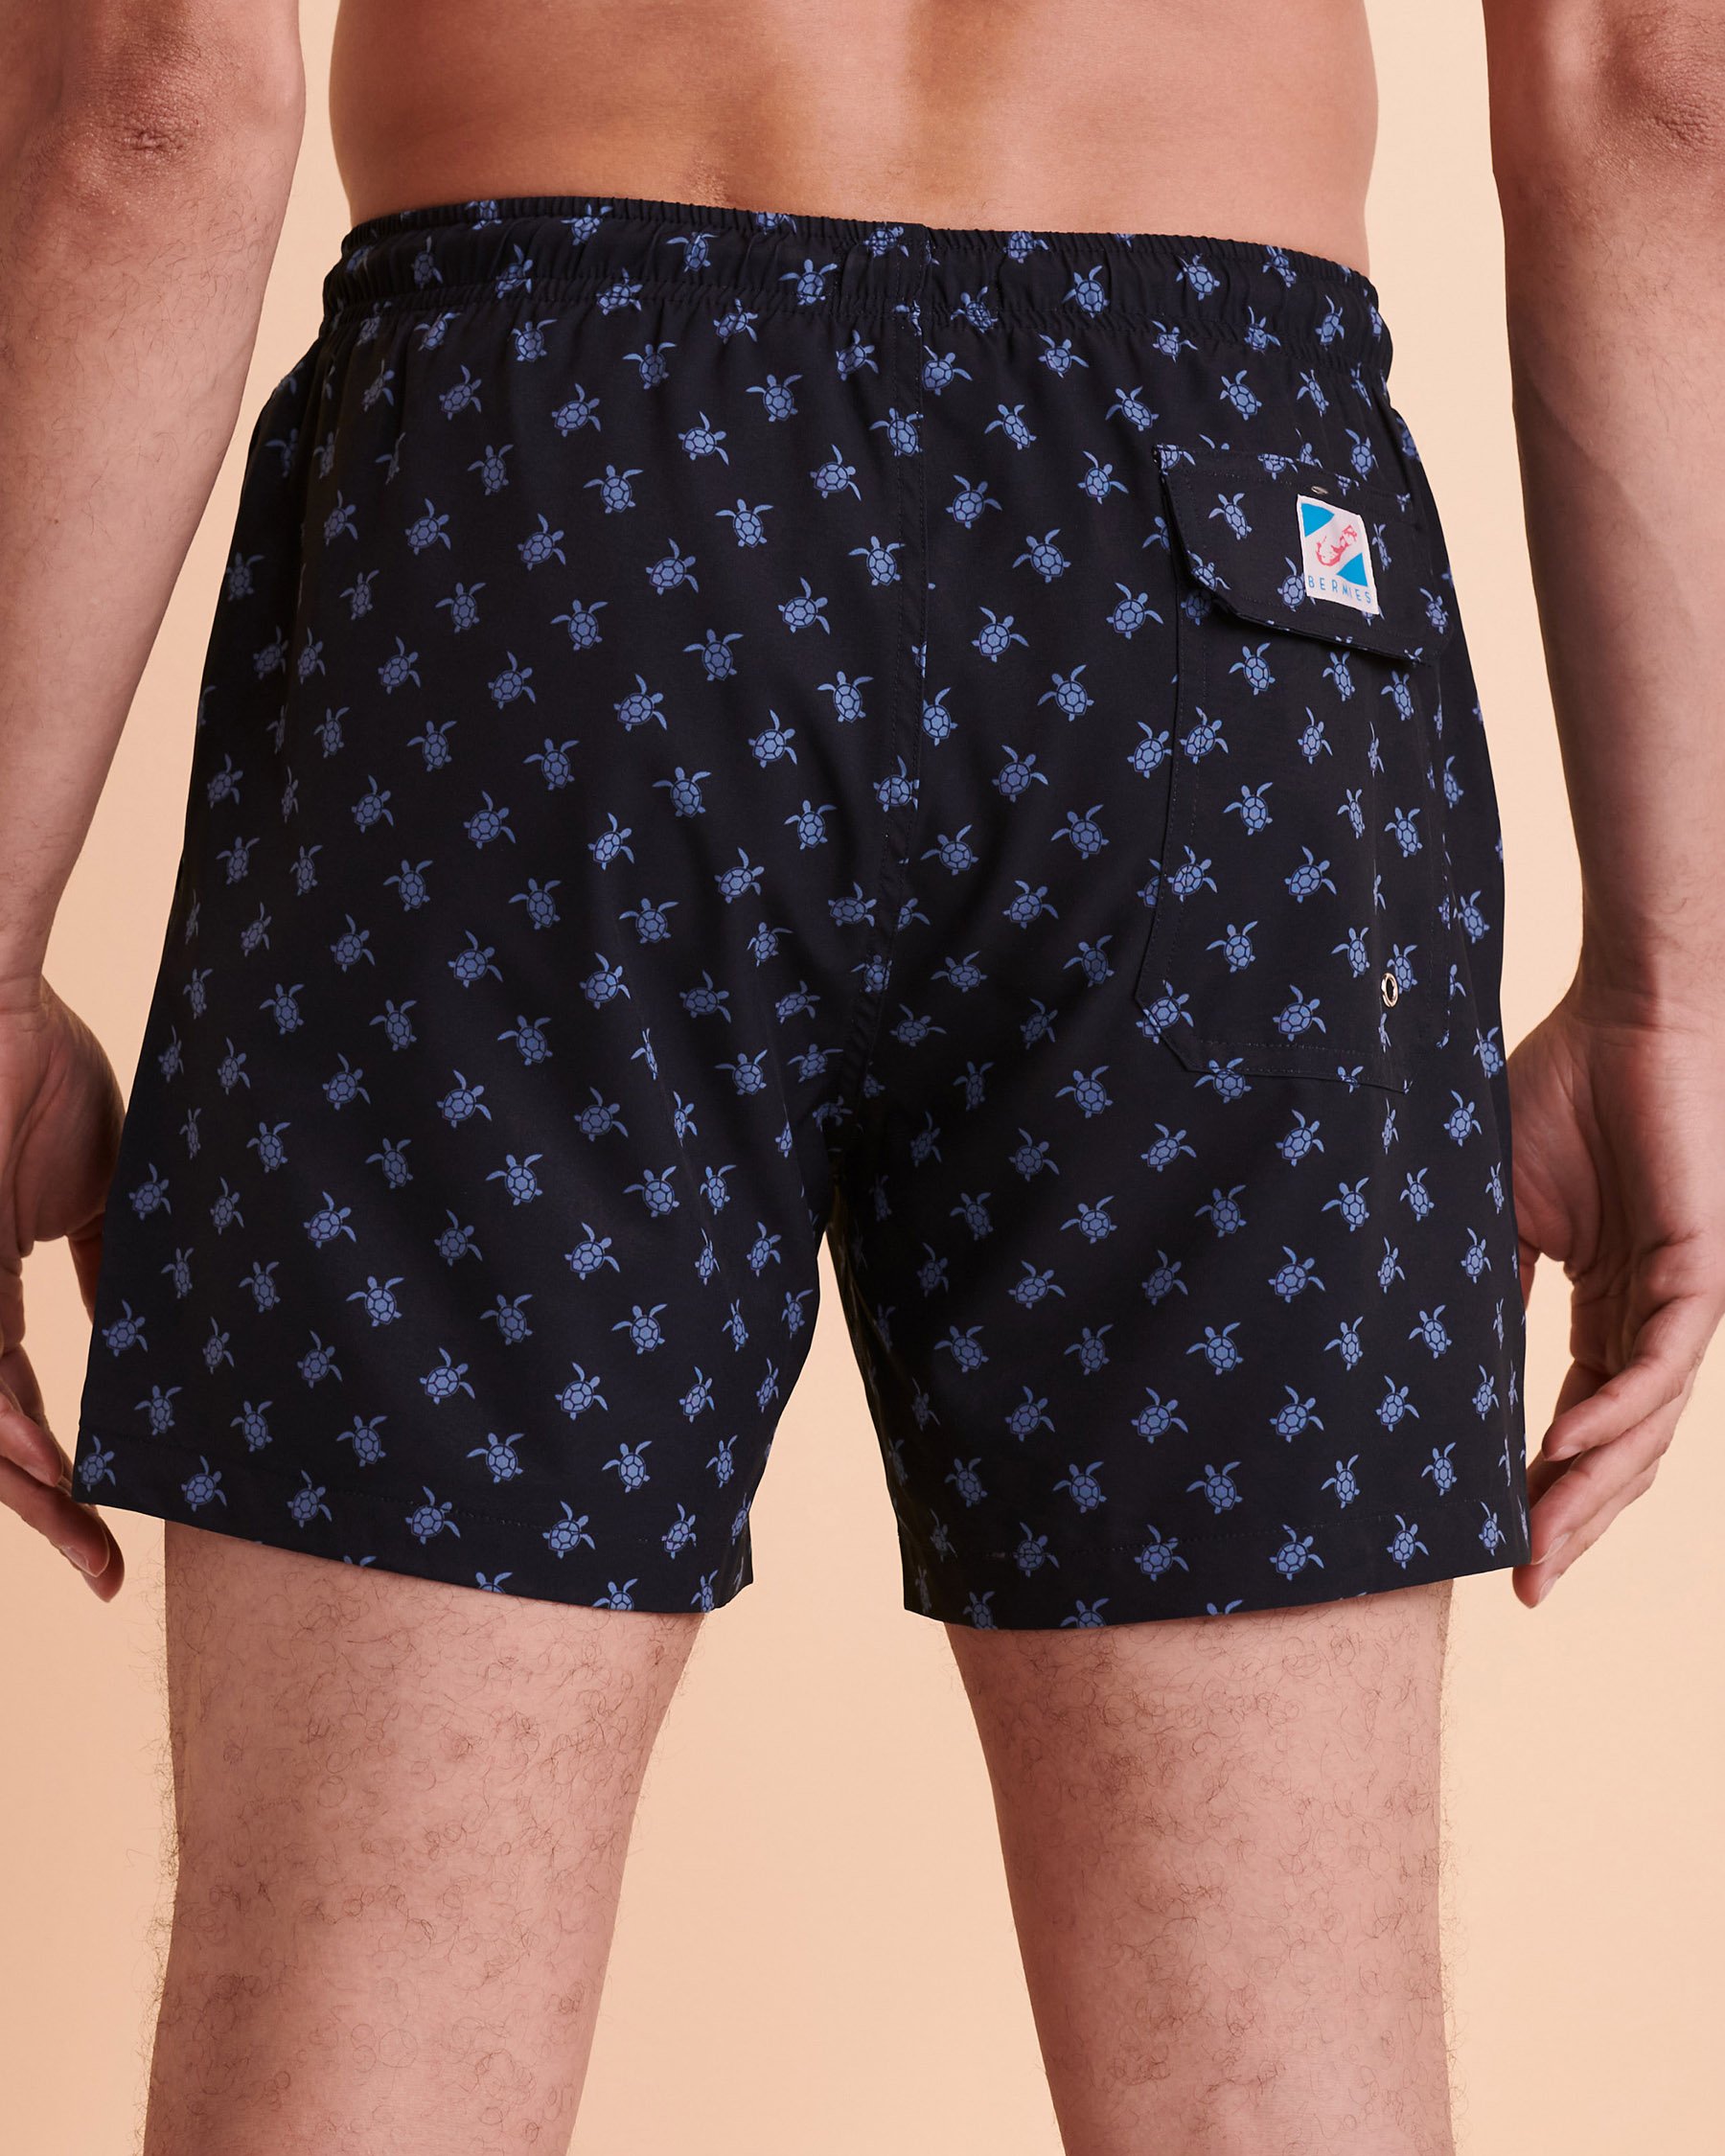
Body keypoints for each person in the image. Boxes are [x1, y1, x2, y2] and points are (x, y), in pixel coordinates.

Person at [5, 1, 1723, 2147]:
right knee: (1274, 2092)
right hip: (1221, 568)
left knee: (354, 2066)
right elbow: (1657, 86)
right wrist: (1672, 986)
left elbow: (149, 93)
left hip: (547, 534)